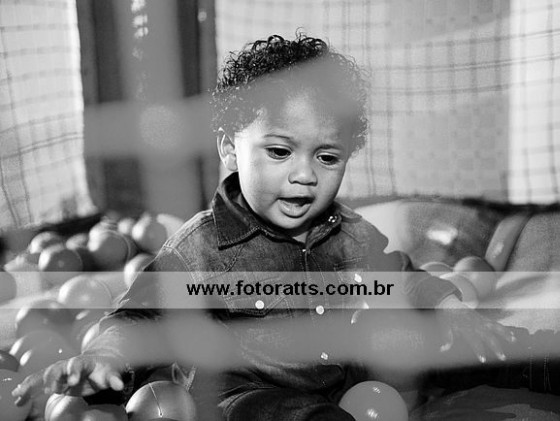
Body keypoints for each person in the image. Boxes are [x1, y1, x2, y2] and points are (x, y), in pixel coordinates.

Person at [13, 34, 520, 420]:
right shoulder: (202, 245)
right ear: (230, 150)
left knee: (475, 349)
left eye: (327, 156)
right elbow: (140, 316)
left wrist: (453, 311)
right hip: (243, 393)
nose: (305, 175)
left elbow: (400, 275)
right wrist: (102, 356)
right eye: (280, 151)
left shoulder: (347, 232)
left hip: (345, 374)